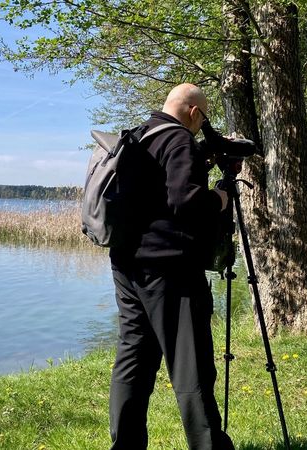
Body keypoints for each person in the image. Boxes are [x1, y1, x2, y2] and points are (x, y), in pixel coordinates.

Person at [107, 83, 234, 450]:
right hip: (170, 273)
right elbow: (186, 202)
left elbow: (156, 193)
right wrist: (221, 198)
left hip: (127, 267)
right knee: (191, 368)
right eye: (203, 118)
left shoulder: (140, 135)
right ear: (194, 112)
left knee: (134, 361)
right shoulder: (179, 141)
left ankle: (125, 446)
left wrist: (202, 160)